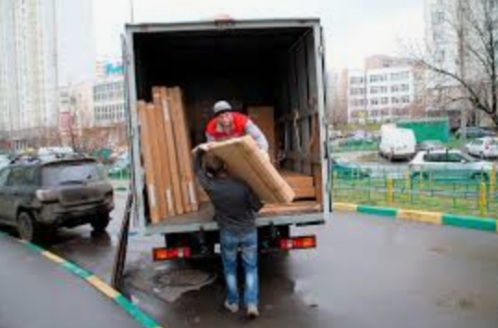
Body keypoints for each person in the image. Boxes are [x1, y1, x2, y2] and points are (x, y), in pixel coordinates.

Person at [193, 144, 263, 318]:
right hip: (248, 232)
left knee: (230, 269)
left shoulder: (210, 186)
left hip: (228, 233)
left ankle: (232, 303)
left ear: (210, 172)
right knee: (250, 268)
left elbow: (197, 171)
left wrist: (200, 152)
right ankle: (251, 303)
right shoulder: (242, 185)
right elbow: (257, 206)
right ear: (225, 166)